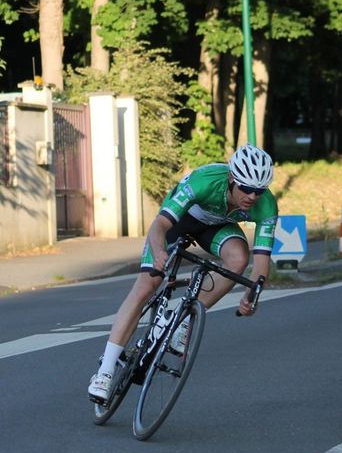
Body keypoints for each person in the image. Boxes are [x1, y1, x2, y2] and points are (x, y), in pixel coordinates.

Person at [87, 145, 278, 403]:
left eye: (259, 191)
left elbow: (262, 259)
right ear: (232, 179)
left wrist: (251, 295)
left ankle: (184, 320)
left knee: (239, 258)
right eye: (246, 188)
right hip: (180, 220)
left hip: (217, 225)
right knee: (146, 285)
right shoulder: (204, 182)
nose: (252, 196)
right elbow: (160, 225)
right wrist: (157, 253)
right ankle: (106, 370)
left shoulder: (266, 205)